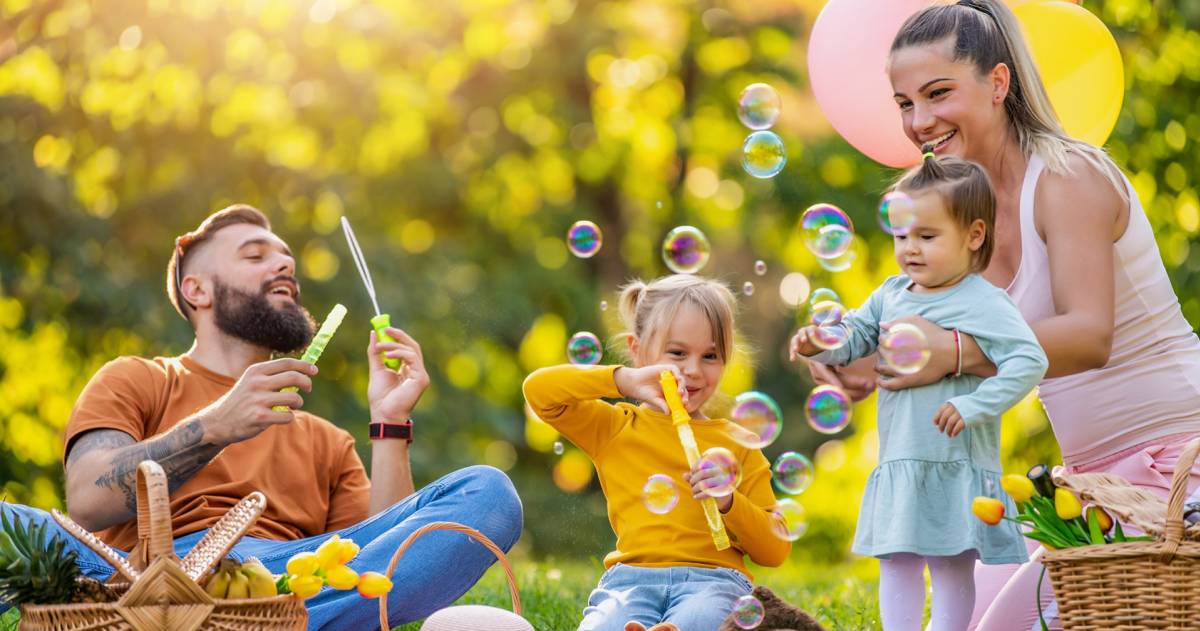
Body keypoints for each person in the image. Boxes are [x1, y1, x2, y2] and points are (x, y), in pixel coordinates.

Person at [804, 1, 1200, 628]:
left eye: (937, 93)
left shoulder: (1069, 177)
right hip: (1093, 485)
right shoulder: (966, 223)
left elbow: (1087, 334)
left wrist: (949, 353)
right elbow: (943, 346)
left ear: (997, 82)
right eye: (904, 103)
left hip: (1176, 467)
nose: (919, 121)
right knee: (974, 598)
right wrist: (875, 368)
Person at [0, 205, 523, 630]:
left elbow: (381, 566)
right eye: (255, 255)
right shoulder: (138, 378)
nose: (284, 266)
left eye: (288, 261)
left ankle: (252, 622)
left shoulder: (325, 440)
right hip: (131, 577)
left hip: (281, 583)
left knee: (488, 493)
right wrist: (216, 425)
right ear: (196, 289)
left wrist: (388, 423)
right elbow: (88, 500)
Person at [791, 154, 1048, 630]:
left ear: (974, 235)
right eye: (902, 235)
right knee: (897, 560)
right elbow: (854, 337)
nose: (910, 248)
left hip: (956, 463)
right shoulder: (890, 292)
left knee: (951, 565)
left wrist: (975, 404)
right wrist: (822, 343)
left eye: (927, 236)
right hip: (902, 461)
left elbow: (1030, 360)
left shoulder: (982, 299)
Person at [523, 275, 791, 631]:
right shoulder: (617, 426)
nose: (693, 370)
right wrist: (622, 381)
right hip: (629, 581)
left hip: (714, 583)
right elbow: (538, 391)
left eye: (710, 356)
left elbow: (774, 550)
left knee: (699, 620)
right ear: (638, 350)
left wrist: (728, 501)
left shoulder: (739, 442)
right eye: (677, 353)